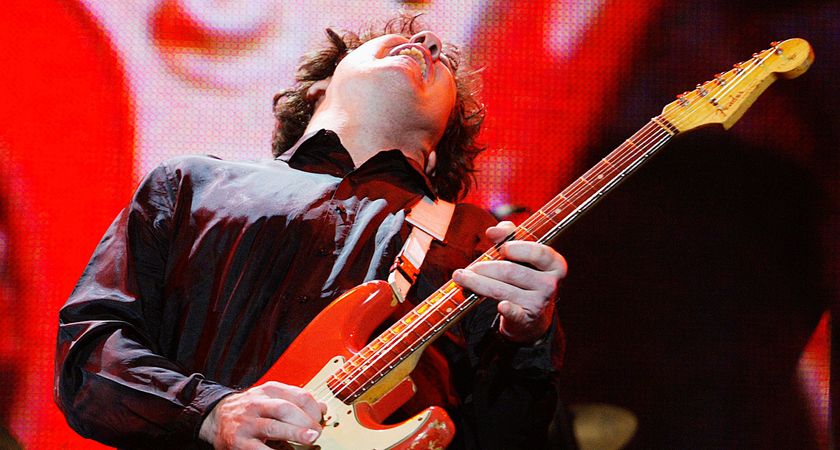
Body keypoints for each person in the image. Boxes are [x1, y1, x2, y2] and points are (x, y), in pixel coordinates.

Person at [55, 15, 569, 449]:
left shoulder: (477, 240)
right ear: (317, 88)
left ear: (438, 147)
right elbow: (90, 350)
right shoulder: (192, 182)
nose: (428, 43)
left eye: (442, 62)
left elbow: (507, 436)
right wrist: (212, 412)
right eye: (396, 40)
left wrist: (527, 340)